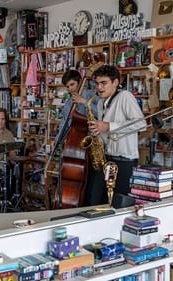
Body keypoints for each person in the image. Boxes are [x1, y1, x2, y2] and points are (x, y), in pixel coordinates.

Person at [88, 65, 146, 205]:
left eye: (104, 83)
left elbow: (141, 124)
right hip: (107, 159)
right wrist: (98, 133)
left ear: (115, 82)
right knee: (98, 202)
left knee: (118, 205)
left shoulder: (125, 96)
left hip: (124, 162)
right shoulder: (102, 103)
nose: (99, 88)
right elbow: (107, 133)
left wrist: (108, 126)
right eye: (97, 83)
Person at [57, 69, 100, 206]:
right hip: (76, 145)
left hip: (93, 144)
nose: (70, 89)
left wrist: (84, 102)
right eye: (68, 87)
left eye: (72, 85)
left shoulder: (93, 96)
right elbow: (65, 123)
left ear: (80, 82)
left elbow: (102, 114)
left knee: (92, 182)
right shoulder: (69, 102)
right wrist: (58, 140)